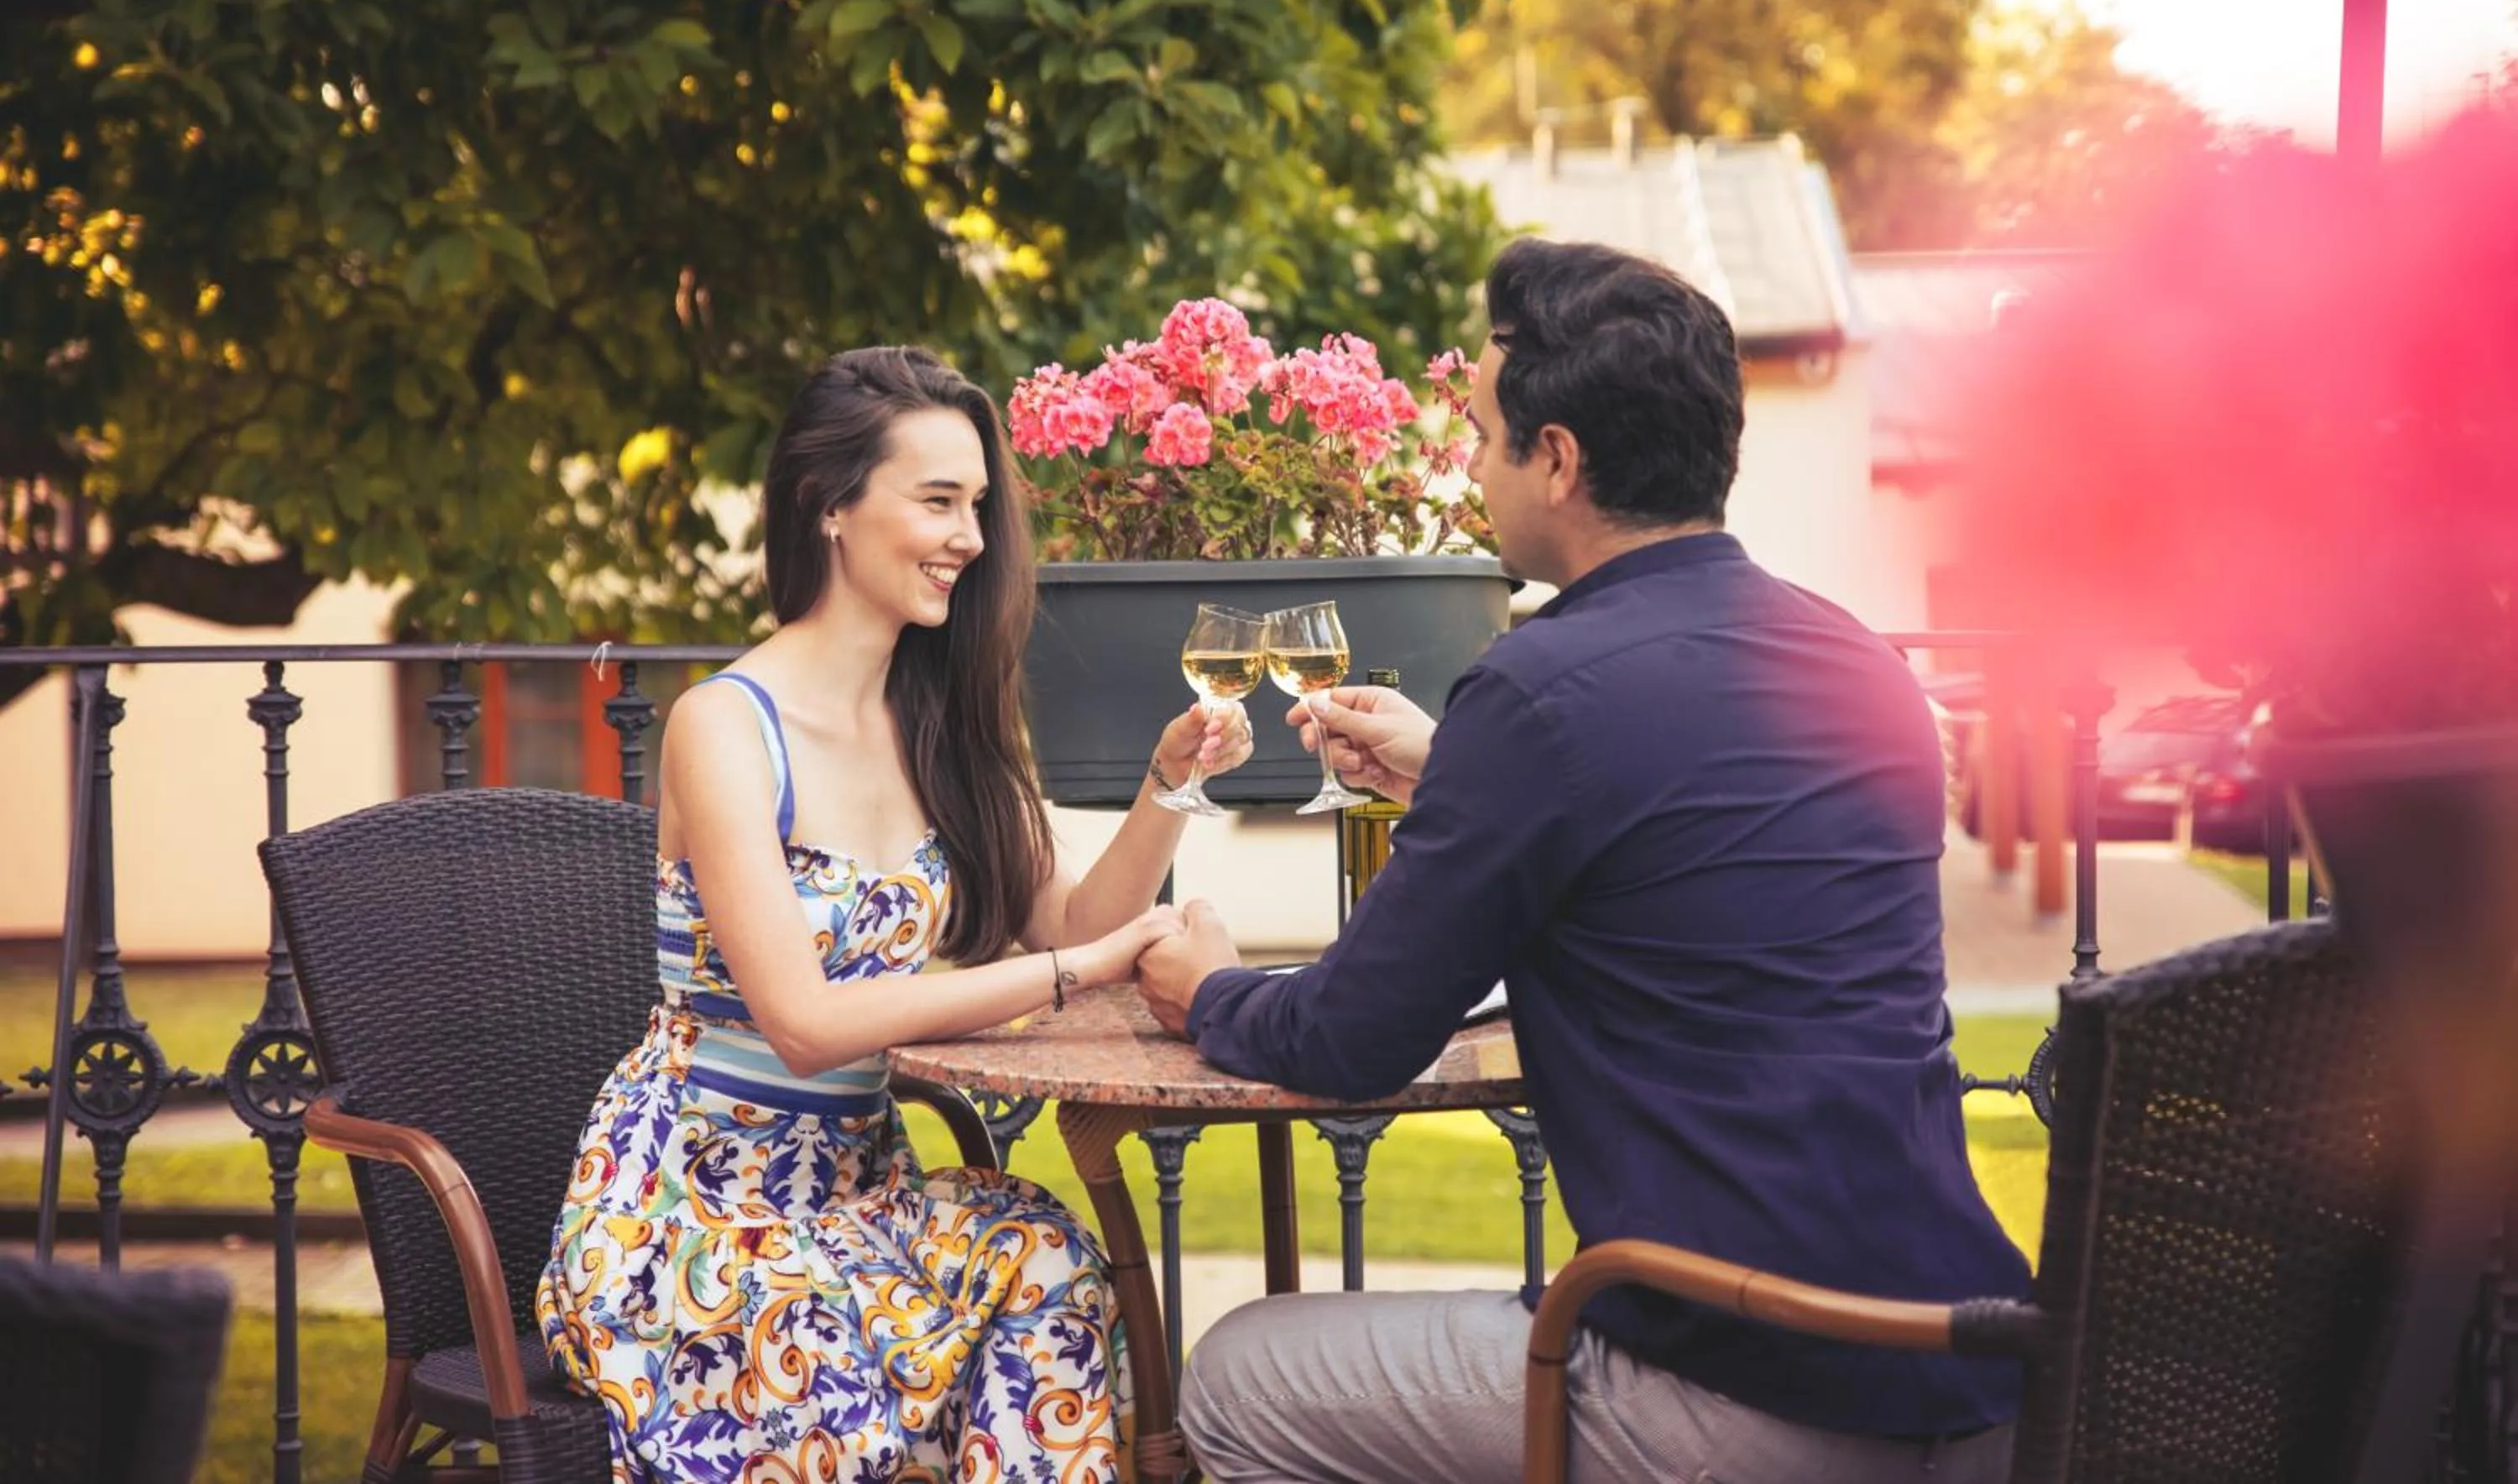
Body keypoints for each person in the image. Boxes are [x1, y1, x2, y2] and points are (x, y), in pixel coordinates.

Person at [1133, 239, 2032, 1483]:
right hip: (1970, 1366)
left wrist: (1210, 986)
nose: (1465, 460)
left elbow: (1349, 1041)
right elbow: (1700, 852)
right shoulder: (1858, 663)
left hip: (1742, 1380)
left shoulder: (1541, 693)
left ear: (1555, 459)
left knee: (1236, 1379)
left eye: (1484, 431)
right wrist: (1461, 773)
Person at [537, 347, 1253, 1484]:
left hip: (857, 1199)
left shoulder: (943, 720)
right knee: (847, 1383)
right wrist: (1086, 966)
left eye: (977, 503)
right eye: (937, 501)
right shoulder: (724, 727)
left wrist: (1168, 787)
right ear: (831, 505)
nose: (971, 536)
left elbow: (1063, 918)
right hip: (692, 1221)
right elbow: (807, 1022)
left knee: (1048, 1261)